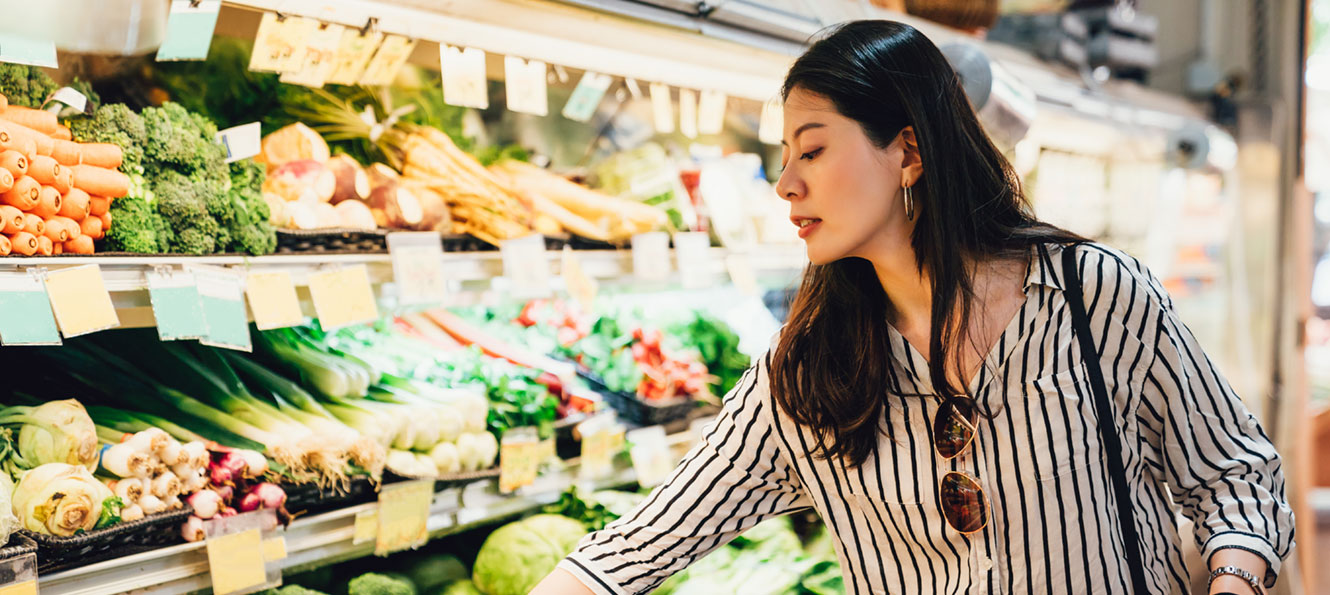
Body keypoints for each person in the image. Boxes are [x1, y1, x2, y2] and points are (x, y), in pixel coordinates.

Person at [533, 20, 1295, 595]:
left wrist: (1232, 580)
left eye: (814, 148)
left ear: (908, 151)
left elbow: (1237, 475)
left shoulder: (1095, 297)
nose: (786, 183)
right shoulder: (804, 370)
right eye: (785, 157)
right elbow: (638, 545)